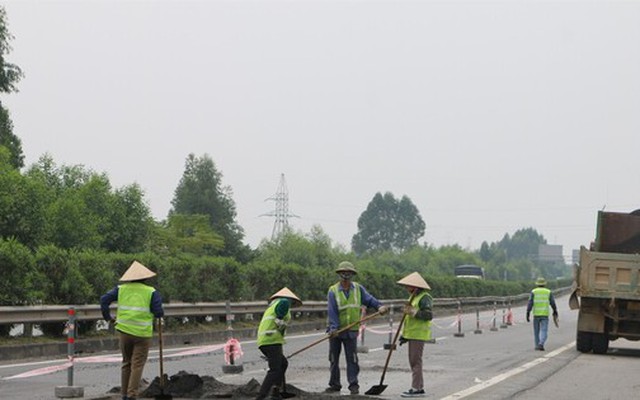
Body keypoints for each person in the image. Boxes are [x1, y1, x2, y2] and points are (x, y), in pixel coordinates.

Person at [100, 261, 165, 400]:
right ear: (145, 278)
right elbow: (158, 312)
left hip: (124, 332)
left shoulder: (121, 289)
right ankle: (132, 395)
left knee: (126, 363)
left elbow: (104, 300)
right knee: (137, 365)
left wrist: (108, 318)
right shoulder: (151, 292)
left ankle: (124, 395)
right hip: (142, 334)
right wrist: (158, 313)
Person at [325, 261, 388, 395]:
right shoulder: (333, 291)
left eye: (348, 273)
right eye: (343, 273)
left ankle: (353, 385)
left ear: (352, 274)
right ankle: (335, 384)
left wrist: (379, 306)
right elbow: (332, 311)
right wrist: (334, 328)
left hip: (351, 331)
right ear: (339, 274)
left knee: (352, 359)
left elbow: (370, 300)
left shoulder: (358, 289)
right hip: (335, 331)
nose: (345, 276)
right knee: (333, 358)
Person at [256, 287, 302, 400]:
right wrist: (283, 325)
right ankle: (261, 396)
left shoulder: (273, 305)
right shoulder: (284, 302)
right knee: (274, 369)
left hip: (265, 340)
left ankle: (276, 391)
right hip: (271, 340)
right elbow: (279, 320)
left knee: (283, 363)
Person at [397, 272, 432, 398]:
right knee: (413, 361)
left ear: (415, 286)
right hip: (412, 334)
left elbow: (428, 315)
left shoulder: (424, 298)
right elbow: (409, 321)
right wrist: (404, 336)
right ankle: (419, 387)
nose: (407, 288)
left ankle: (416, 388)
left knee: (415, 361)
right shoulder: (413, 297)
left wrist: (413, 311)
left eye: (408, 286)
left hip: (419, 334)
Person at [526, 277, 558, 351]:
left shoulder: (533, 291)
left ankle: (537, 345)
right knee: (544, 330)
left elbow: (530, 303)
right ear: (544, 284)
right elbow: (552, 302)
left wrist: (528, 312)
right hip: (544, 314)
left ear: (537, 284)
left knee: (536, 331)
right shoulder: (548, 292)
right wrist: (555, 310)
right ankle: (541, 344)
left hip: (536, 314)